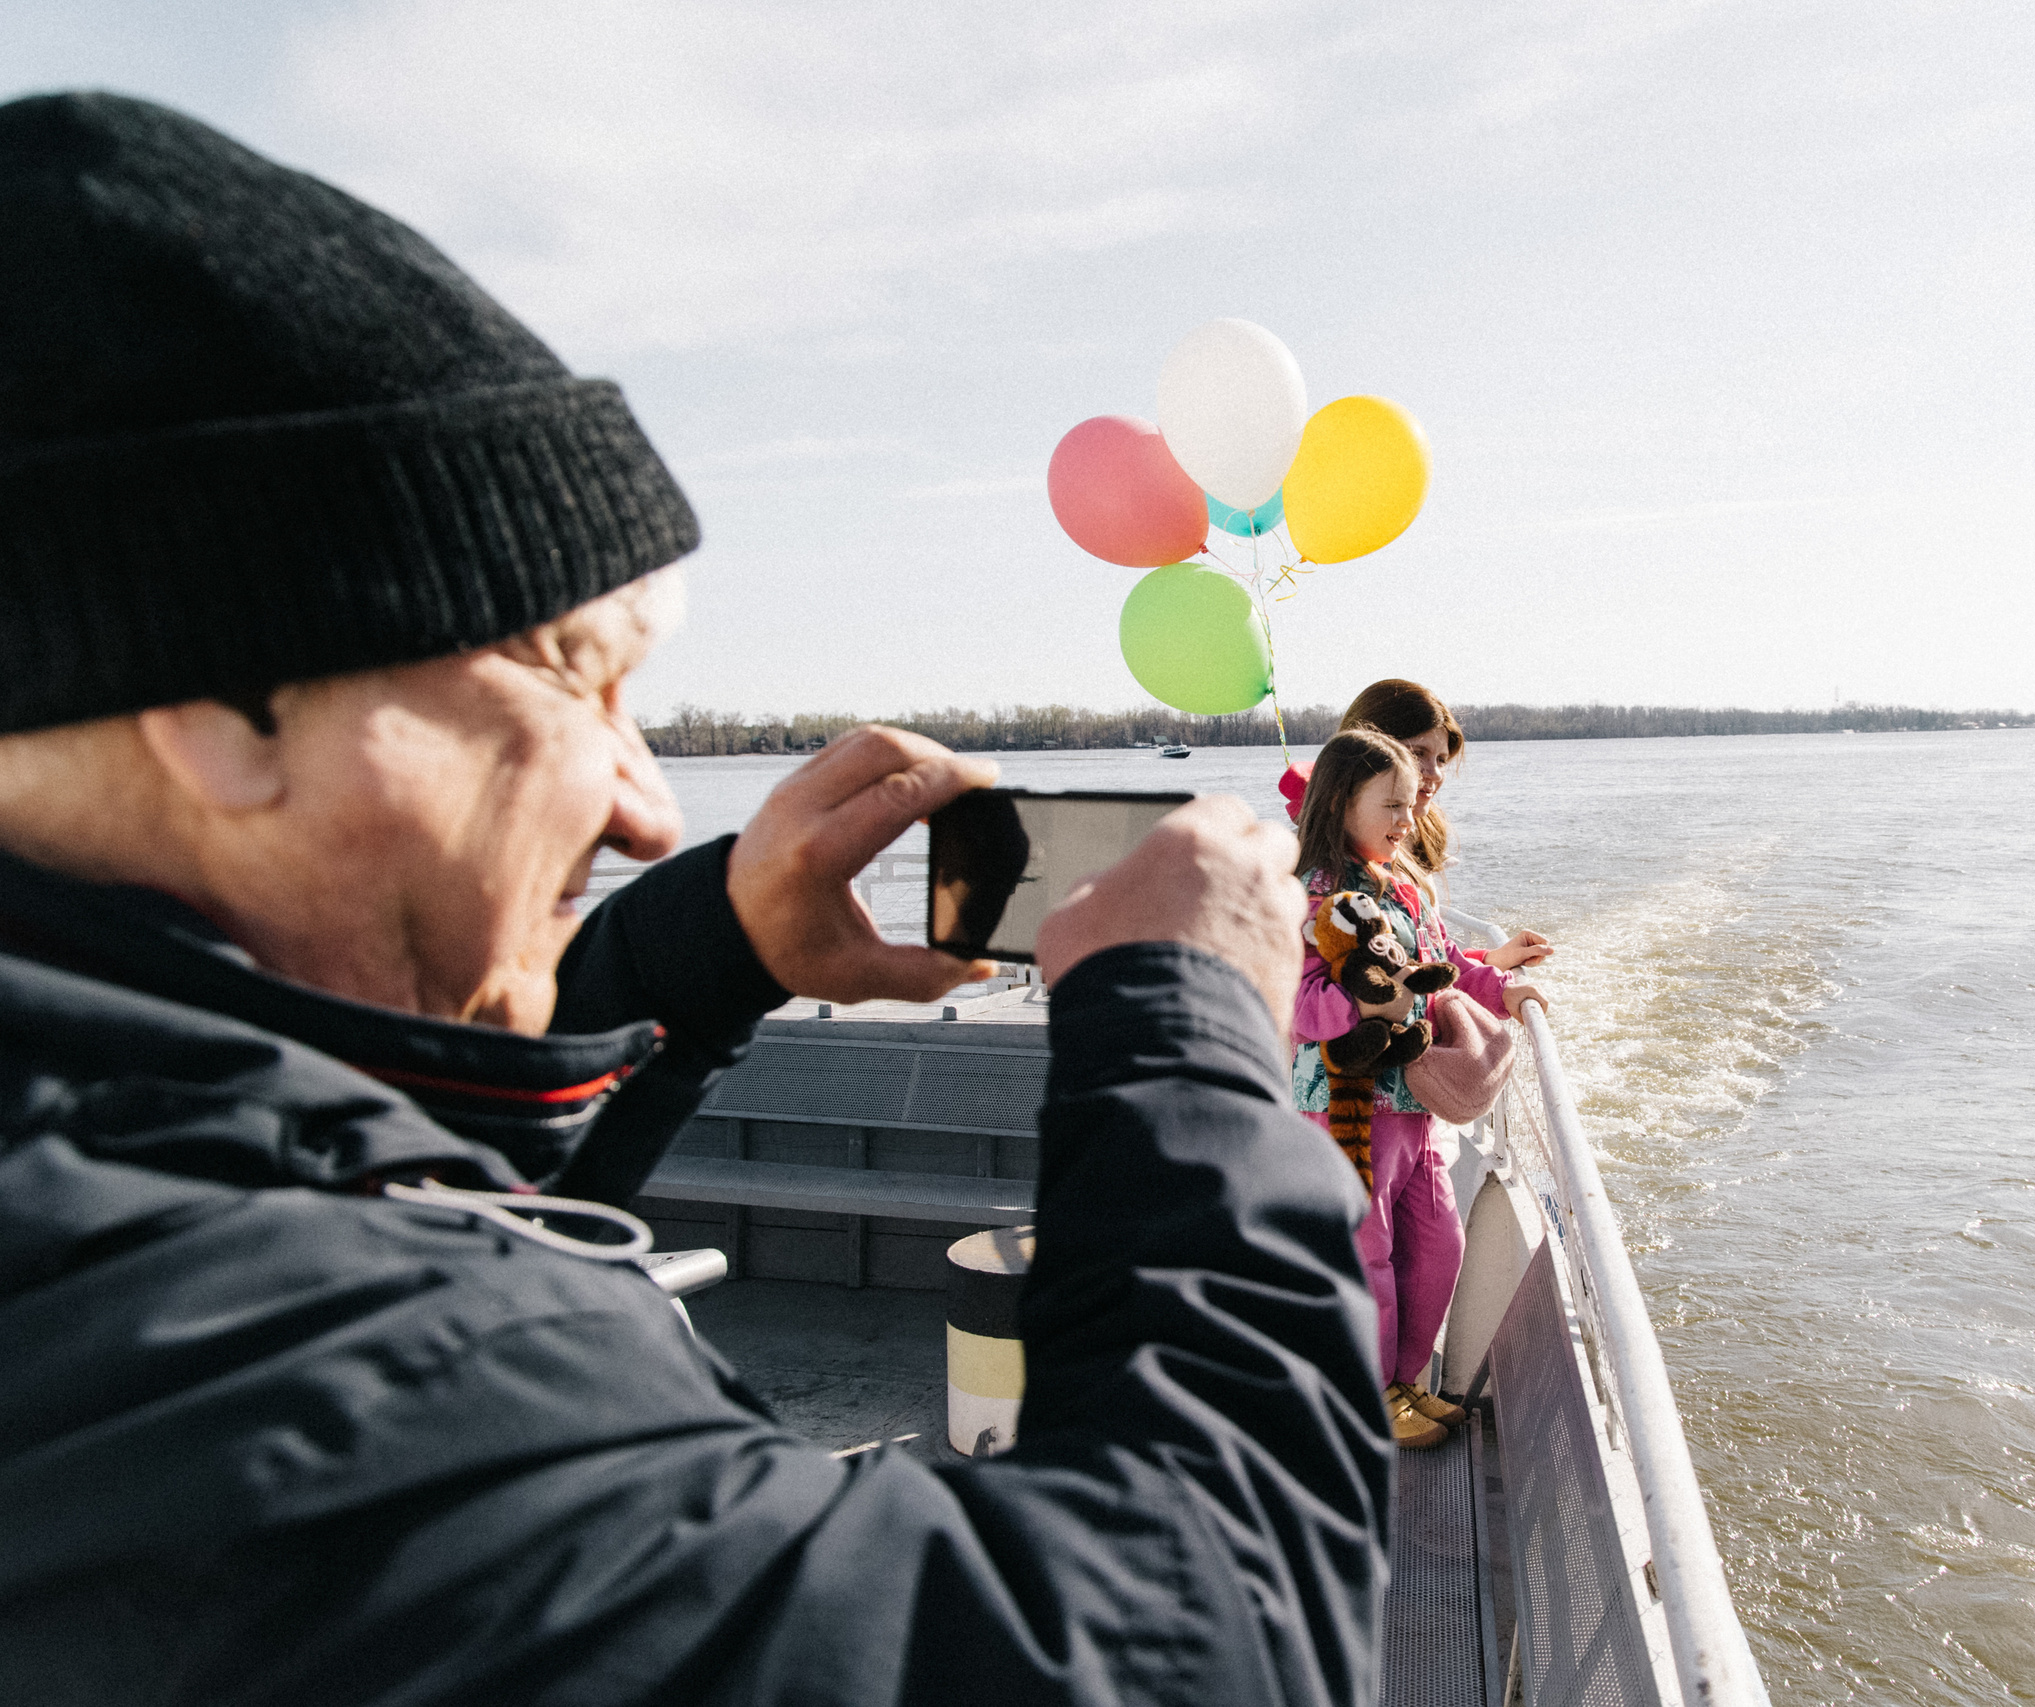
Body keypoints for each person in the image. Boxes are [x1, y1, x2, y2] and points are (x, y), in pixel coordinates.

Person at [0, 93, 1388, 1707]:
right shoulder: (335, 1403)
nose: (647, 793)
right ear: (222, 698)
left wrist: (708, 955)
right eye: (578, 678)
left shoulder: (112, 1251)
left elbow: (364, 1181)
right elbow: (1209, 1646)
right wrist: (1184, 1028)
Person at [1289, 731, 1543, 1451]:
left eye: (1410, 802)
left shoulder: (1404, 882)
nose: (1408, 816)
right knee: (1365, 1256)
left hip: (1414, 1106)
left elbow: (1446, 964)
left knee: (1438, 1243)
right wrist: (1369, 1006)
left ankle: (1404, 1381)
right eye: (1392, 803)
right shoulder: (1314, 893)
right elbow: (1299, 1002)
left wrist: (1504, 987)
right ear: (1342, 802)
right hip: (1342, 1109)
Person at [1336, 678, 1552, 974]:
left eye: (1441, 759)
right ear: (1364, 753)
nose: (1435, 774)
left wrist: (1491, 960)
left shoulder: (1415, 837)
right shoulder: (1328, 867)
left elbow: (1426, 956)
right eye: (1417, 754)